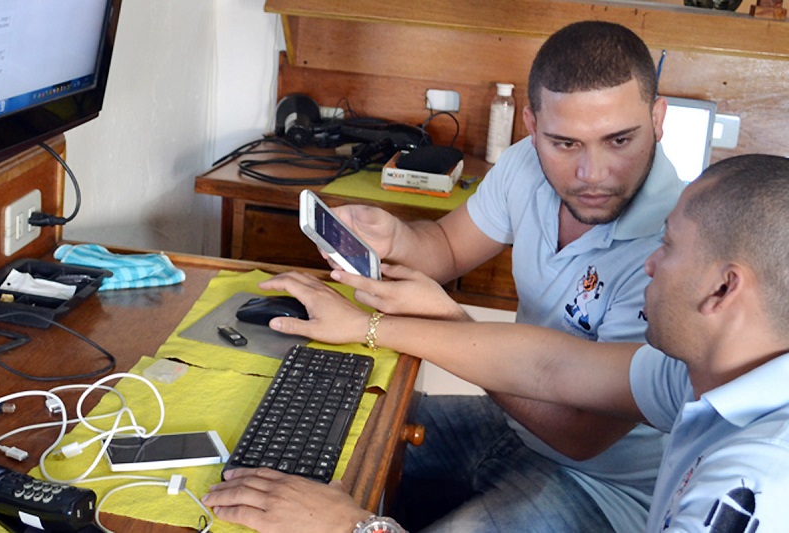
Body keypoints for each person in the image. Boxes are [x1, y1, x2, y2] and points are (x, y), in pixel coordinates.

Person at [203, 154, 789, 532]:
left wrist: (352, 528)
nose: (652, 265)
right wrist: (370, 326)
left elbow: (571, 418)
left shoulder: (755, 486)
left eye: (669, 248)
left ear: (723, 287)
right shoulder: (706, 369)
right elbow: (552, 367)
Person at [288, 20, 683, 532]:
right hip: (509, 423)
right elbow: (448, 246)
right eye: (564, 143)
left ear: (658, 117)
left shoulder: (676, 247)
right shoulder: (525, 165)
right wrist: (395, 238)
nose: (592, 173)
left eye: (619, 140)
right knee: (326, 435)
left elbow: (582, 434)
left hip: (603, 485)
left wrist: (450, 323)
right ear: (530, 124)